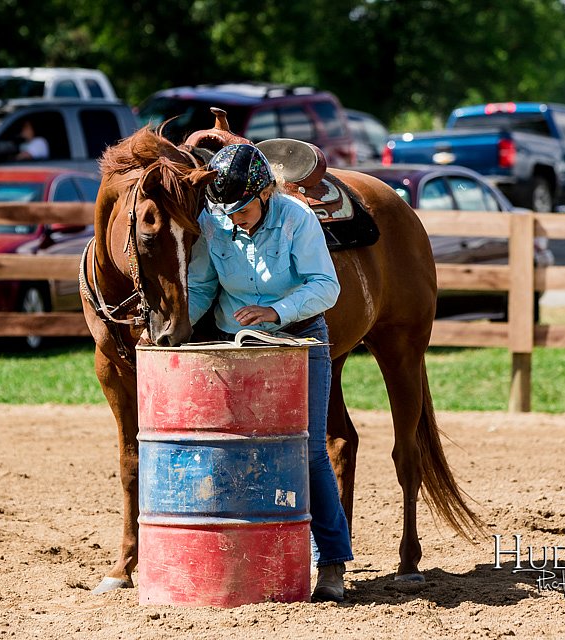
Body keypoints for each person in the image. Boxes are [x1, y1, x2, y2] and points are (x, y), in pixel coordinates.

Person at [188, 143, 353, 602]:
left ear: (265, 193)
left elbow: (325, 286)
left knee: (311, 449)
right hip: (233, 342)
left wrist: (274, 311)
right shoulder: (214, 221)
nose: (234, 220)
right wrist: (174, 326)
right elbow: (202, 284)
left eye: (242, 210)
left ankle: (333, 563)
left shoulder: (298, 219)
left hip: (299, 337)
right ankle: (242, 557)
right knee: (232, 449)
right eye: (228, 212)